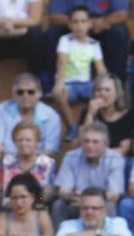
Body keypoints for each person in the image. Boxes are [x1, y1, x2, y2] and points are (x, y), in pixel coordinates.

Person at [51, 121, 124, 227]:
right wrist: (72, 196)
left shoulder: (115, 158)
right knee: (58, 205)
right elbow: (63, 190)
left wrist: (89, 201)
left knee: (110, 205)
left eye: (95, 142)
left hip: (101, 204)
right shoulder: (71, 156)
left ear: (105, 145)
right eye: (86, 141)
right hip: (76, 203)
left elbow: (114, 194)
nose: (89, 145)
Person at [51, 5, 106, 142]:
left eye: (83, 22)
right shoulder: (65, 40)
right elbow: (61, 62)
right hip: (69, 83)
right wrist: (59, 82)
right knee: (58, 94)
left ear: (90, 24)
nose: (79, 26)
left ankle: (95, 128)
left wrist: (106, 84)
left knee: (104, 93)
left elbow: (100, 68)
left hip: (87, 84)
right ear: (69, 24)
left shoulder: (94, 44)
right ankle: (72, 127)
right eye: (75, 22)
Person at [44, 0, 130, 84]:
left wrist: (103, 22)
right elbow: (54, 16)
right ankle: (54, 87)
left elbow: (122, 14)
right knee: (53, 32)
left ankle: (115, 87)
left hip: (102, 26)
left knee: (119, 32)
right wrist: (79, 23)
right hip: (73, 26)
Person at [0, 121, 56, 224]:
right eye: (20, 140)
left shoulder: (47, 163)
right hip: (10, 210)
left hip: (37, 212)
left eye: (28, 140)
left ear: (37, 142)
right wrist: (15, 203)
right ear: (14, 143)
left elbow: (47, 195)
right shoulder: (7, 162)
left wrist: (30, 202)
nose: (24, 144)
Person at [54, 185, 134, 236]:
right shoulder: (68, 224)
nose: (89, 212)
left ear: (105, 211)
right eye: (85, 208)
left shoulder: (117, 223)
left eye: (94, 208)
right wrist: (97, 233)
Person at [0, 0, 45, 76]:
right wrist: (1, 24)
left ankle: (34, 76)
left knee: (36, 33)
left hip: (23, 38)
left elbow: (35, 20)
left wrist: (13, 22)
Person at [0, 172, 53, 236]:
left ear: (32, 197)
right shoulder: (4, 216)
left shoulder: (41, 215)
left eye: (23, 197)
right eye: (14, 198)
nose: (18, 202)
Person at [79, 72, 134, 156]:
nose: (102, 93)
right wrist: (90, 114)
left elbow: (124, 149)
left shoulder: (128, 116)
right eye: (98, 90)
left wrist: (99, 156)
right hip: (90, 158)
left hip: (116, 159)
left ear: (117, 94)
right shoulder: (87, 112)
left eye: (107, 90)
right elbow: (82, 142)